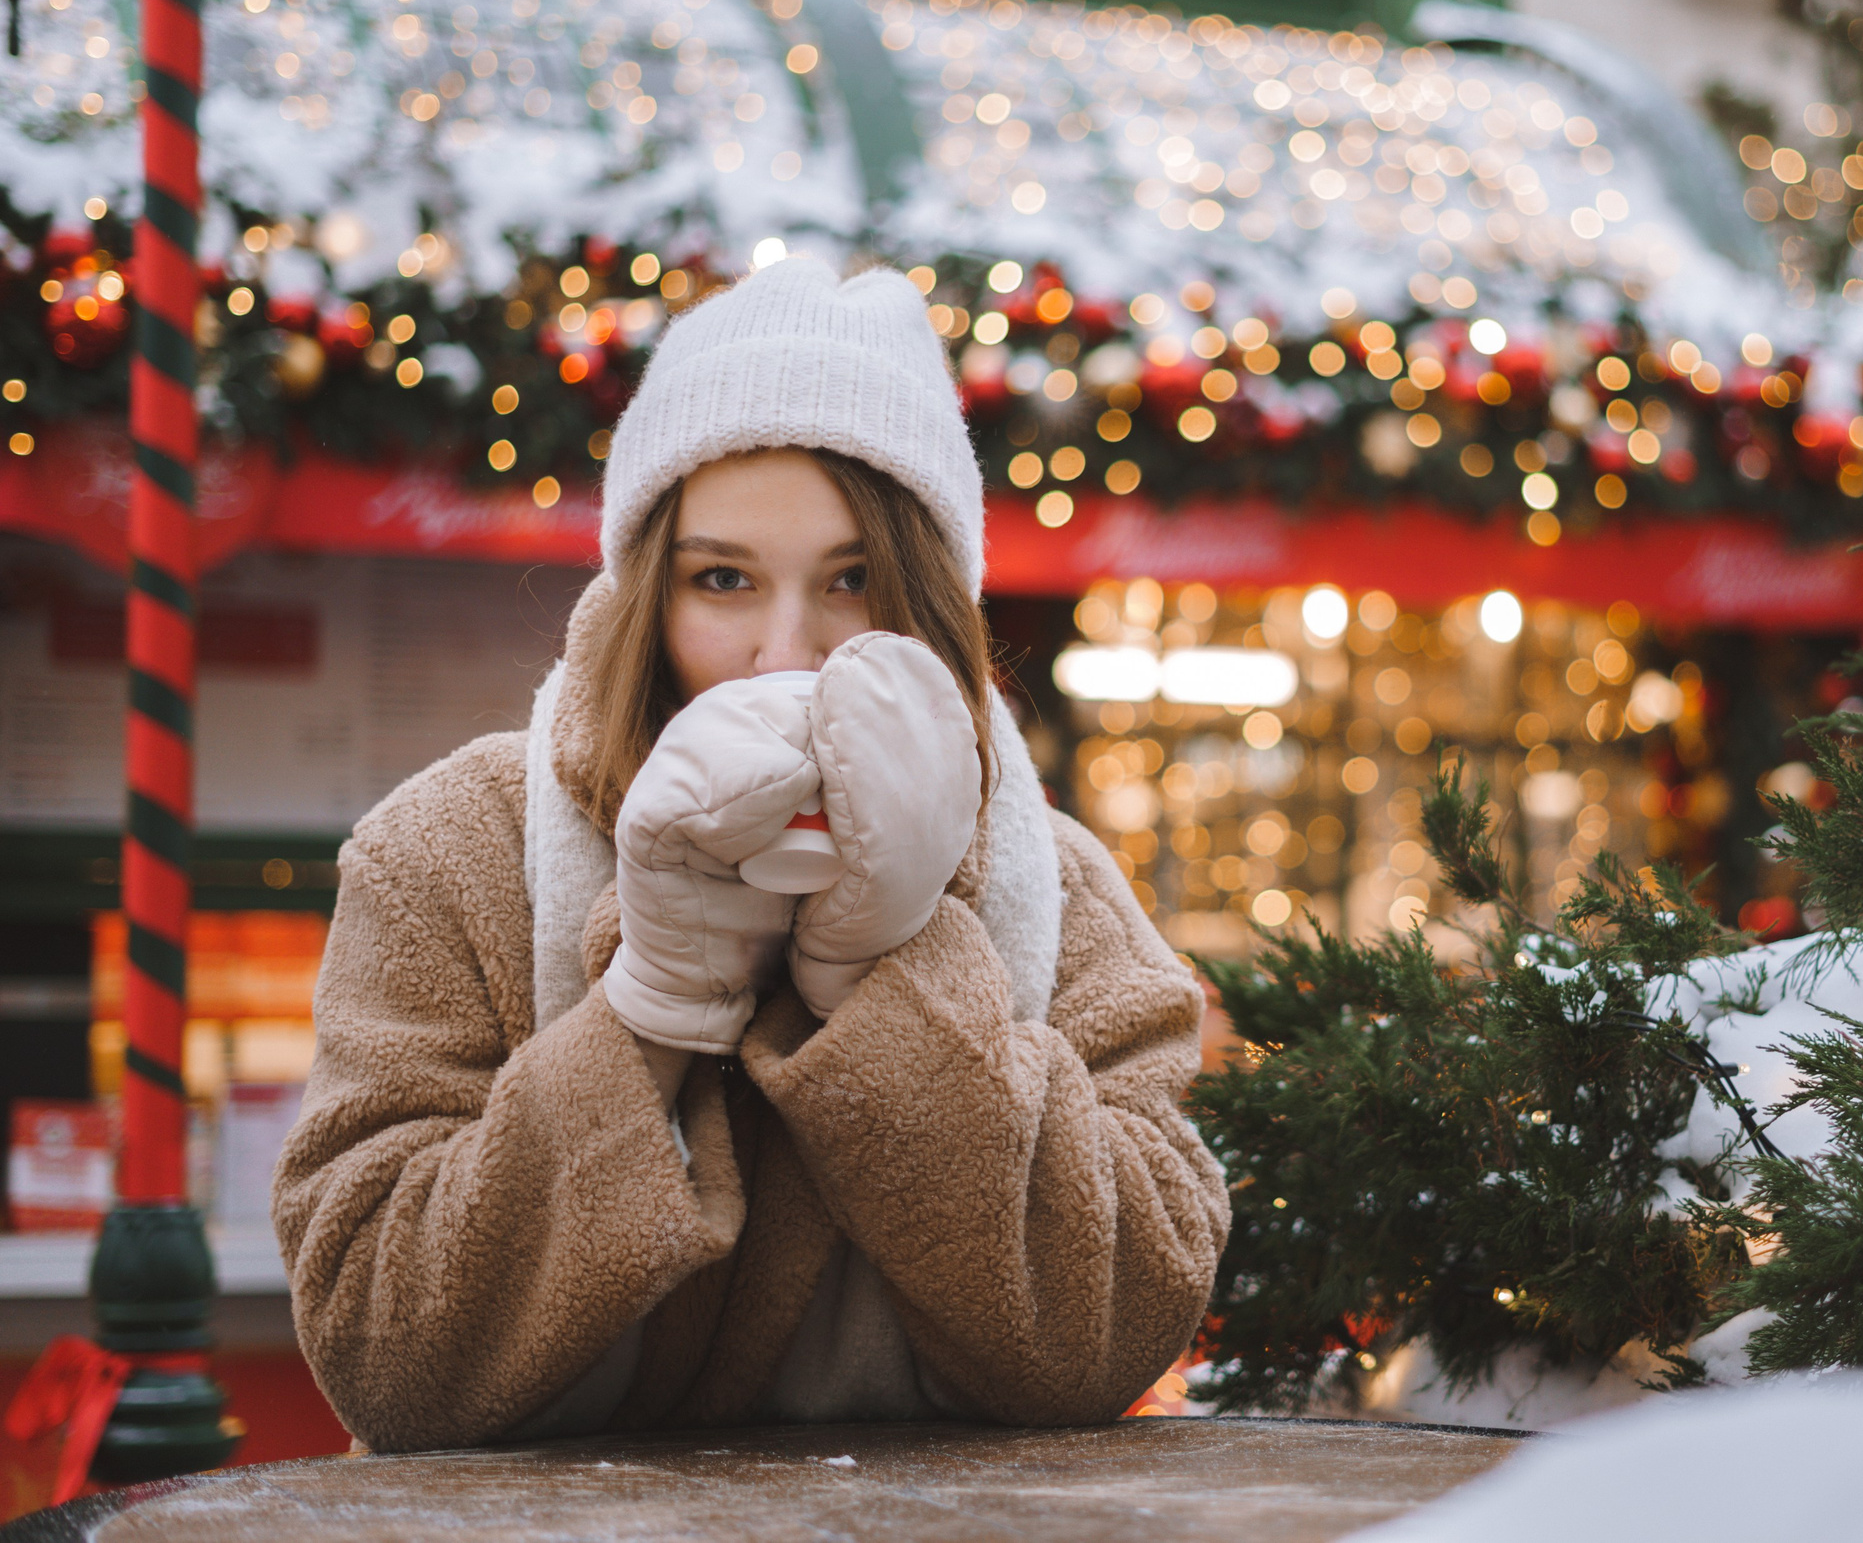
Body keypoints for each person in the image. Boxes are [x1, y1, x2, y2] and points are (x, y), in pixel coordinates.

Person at [273, 260, 1230, 1452]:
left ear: (930, 603)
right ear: (644, 602)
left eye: (854, 580)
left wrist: (890, 975)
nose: (788, 655)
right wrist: (649, 1008)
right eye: (721, 580)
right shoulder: (450, 850)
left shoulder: (1061, 884)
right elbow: (383, 1352)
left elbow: (1111, 1330)